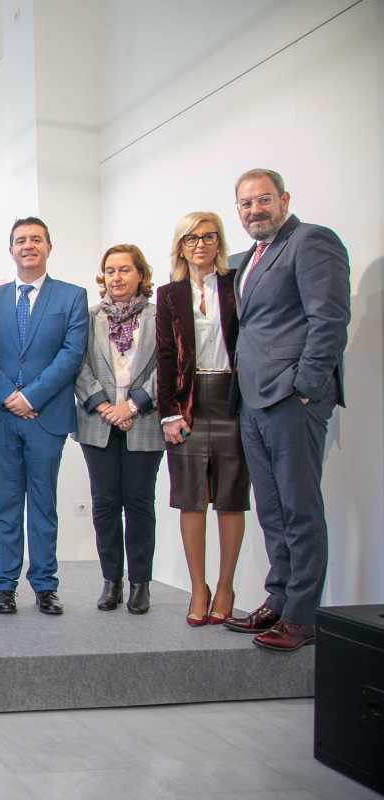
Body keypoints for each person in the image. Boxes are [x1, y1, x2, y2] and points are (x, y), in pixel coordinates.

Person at [224, 168, 350, 652]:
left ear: (284, 199)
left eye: (263, 200)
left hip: (291, 399)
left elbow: (330, 317)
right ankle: (277, 599)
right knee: (272, 509)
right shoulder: (254, 257)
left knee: (299, 507)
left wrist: (305, 385)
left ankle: (302, 616)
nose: (255, 210)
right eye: (245, 203)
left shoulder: (311, 241)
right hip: (254, 398)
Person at [0, 217, 88, 615]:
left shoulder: (71, 297)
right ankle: (4, 585)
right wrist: (9, 394)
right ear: (11, 249)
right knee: (5, 506)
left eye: (36, 239)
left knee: (43, 505)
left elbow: (72, 353)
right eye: (21, 240)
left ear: (49, 247)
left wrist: (32, 395)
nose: (28, 245)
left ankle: (45, 586)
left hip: (46, 416)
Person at [155, 212, 249, 627]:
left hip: (233, 399)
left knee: (230, 499)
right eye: (191, 238)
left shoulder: (237, 283)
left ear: (219, 242)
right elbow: (164, 356)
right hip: (189, 403)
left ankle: (226, 586)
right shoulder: (169, 294)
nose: (200, 245)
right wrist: (169, 413)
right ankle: (199, 587)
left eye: (208, 237)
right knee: (191, 500)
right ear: (180, 245)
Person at [74, 244, 163, 614]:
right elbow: (78, 366)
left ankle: (140, 583)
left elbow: (170, 365)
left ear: (140, 274)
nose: (117, 277)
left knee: (139, 504)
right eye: (110, 270)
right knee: (105, 504)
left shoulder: (161, 317)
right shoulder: (89, 317)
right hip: (99, 422)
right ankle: (111, 580)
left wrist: (133, 404)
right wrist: (107, 407)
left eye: (125, 270)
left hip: (144, 419)